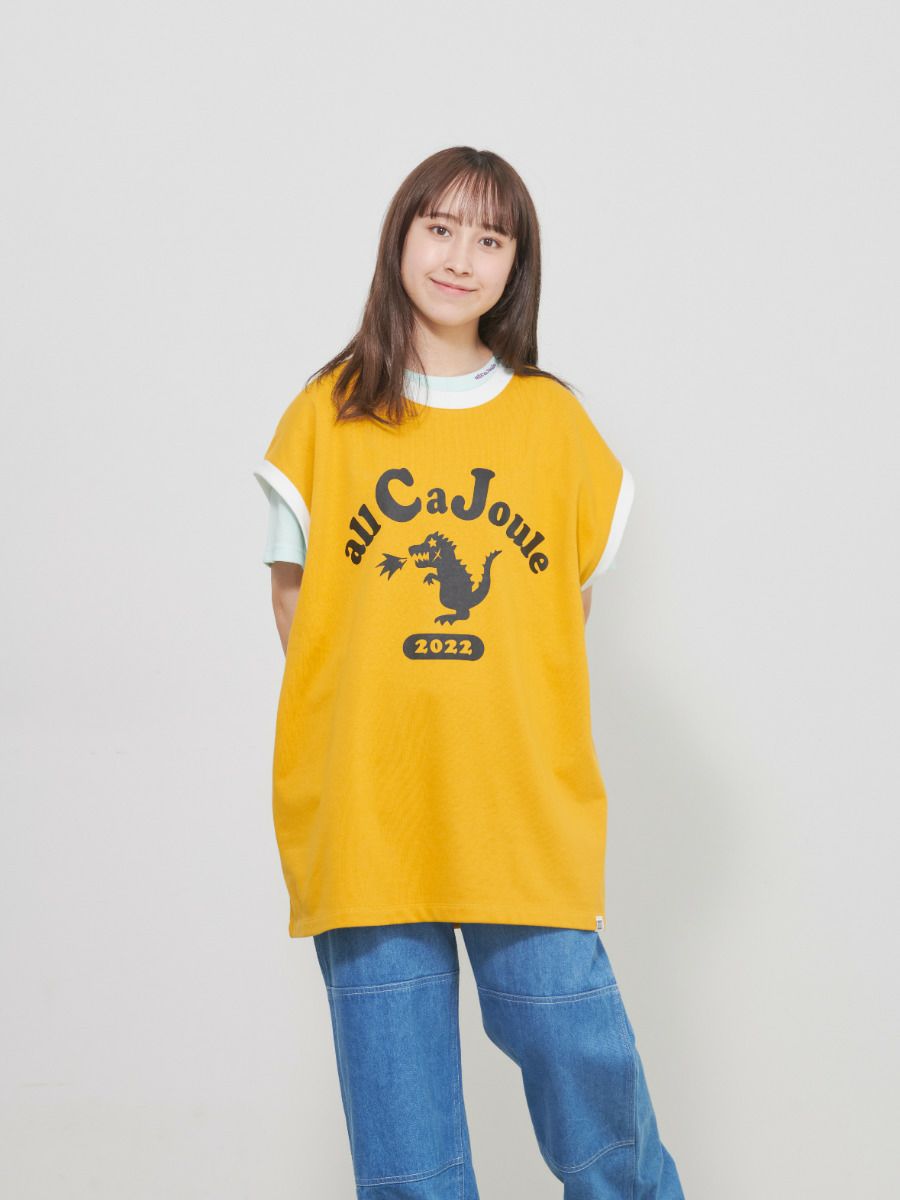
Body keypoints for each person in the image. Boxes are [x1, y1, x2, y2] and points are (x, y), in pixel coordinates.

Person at [253, 146, 686, 1198]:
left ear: (515, 264)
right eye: (440, 228)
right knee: (406, 1150)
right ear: (400, 236)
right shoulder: (324, 417)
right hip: (370, 817)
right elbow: (295, 603)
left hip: (516, 814)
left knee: (586, 1072)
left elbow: (564, 610)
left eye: (490, 239)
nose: (460, 257)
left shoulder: (554, 425)